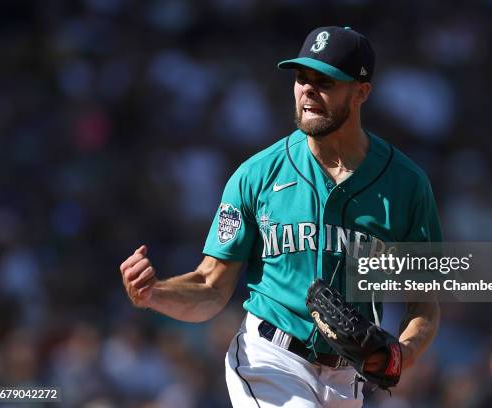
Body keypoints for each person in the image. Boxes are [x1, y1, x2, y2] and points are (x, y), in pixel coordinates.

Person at [119, 26, 441, 407]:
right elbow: (210, 287)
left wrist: (402, 353)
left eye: (325, 81)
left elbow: (424, 302)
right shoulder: (258, 174)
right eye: (302, 78)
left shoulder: (406, 185)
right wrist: (155, 293)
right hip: (270, 362)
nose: (308, 89)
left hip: (347, 379)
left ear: (360, 92)